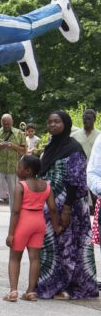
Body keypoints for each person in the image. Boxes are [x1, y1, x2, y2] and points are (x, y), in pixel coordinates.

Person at [36, 111, 98, 300]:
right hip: (49, 205)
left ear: (66, 124)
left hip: (68, 206)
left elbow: (76, 181)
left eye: (57, 122)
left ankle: (70, 286)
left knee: (69, 245)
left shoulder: (73, 148)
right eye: (50, 122)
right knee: (51, 246)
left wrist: (67, 208)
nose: (52, 125)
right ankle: (51, 284)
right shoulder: (50, 146)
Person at [5, 155, 60, 302]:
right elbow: (53, 209)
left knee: (14, 258)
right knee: (35, 258)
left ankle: (13, 291)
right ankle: (30, 291)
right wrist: (56, 226)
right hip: (39, 222)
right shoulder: (46, 186)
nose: (17, 170)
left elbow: (16, 211)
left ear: (28, 171)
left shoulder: (21, 186)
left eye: (19, 167)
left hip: (24, 222)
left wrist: (11, 234)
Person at [0, 114, 27, 227]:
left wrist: (13, 146)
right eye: (4, 123)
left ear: (12, 122)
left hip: (13, 168)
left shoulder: (19, 133)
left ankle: (14, 218)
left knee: (14, 194)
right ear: (1, 122)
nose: (6, 125)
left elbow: (24, 151)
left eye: (8, 123)